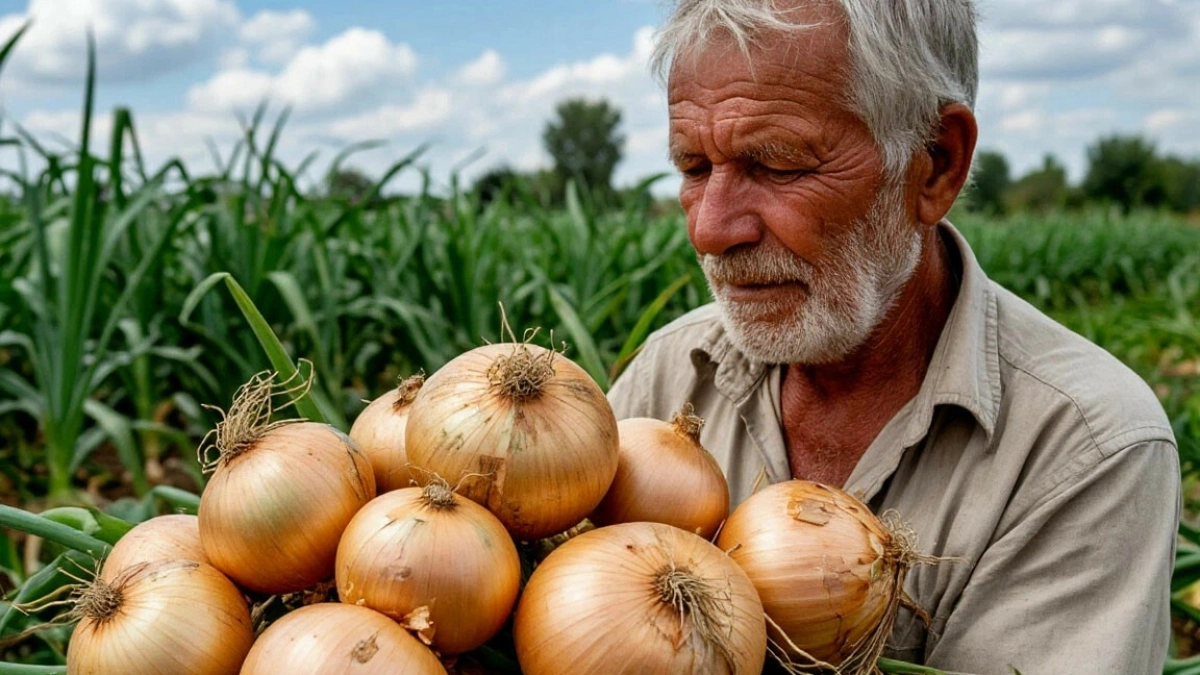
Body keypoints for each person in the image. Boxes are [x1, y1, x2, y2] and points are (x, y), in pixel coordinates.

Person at [605, 1, 1181, 673]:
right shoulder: (671, 372)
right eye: (694, 168)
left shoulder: (1086, 446)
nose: (710, 228)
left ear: (935, 164)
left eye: (778, 165)